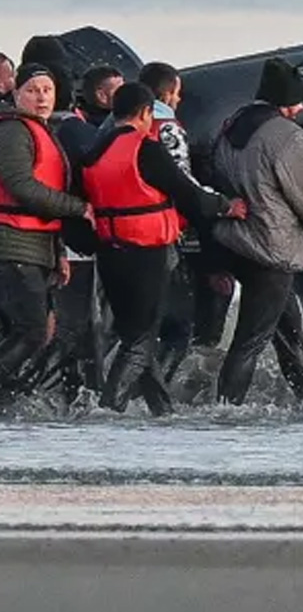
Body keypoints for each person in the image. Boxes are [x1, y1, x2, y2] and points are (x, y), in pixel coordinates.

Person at [80, 82, 245, 414]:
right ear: (144, 113)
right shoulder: (146, 148)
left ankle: (162, 412)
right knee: (140, 341)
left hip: (110, 250)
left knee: (135, 335)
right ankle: (107, 411)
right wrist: (227, 205)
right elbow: (187, 193)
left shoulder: (95, 149)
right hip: (146, 252)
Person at [208, 58, 303, 404]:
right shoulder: (288, 138)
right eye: (298, 100)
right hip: (272, 248)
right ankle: (225, 415)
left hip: (236, 241)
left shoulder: (230, 127)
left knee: (290, 335)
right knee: (250, 342)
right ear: (285, 101)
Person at [0, 63, 90, 397]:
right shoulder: (13, 131)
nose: (41, 98)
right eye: (33, 90)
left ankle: (10, 405)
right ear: (16, 93)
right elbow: (21, 185)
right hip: (12, 243)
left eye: (47, 90)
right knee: (32, 331)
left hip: (36, 245)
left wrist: (58, 254)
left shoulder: (41, 129)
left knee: (32, 331)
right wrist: (78, 208)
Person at [138, 60, 221, 381]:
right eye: (177, 93)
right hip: (165, 232)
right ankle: (157, 394)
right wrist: (219, 204)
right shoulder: (167, 127)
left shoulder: (122, 126)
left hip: (127, 234)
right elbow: (181, 183)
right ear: (169, 93)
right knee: (177, 324)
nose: (179, 100)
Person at [78, 65, 124, 129]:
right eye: (120, 90)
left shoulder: (78, 122)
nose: (126, 93)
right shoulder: (112, 127)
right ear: (102, 96)